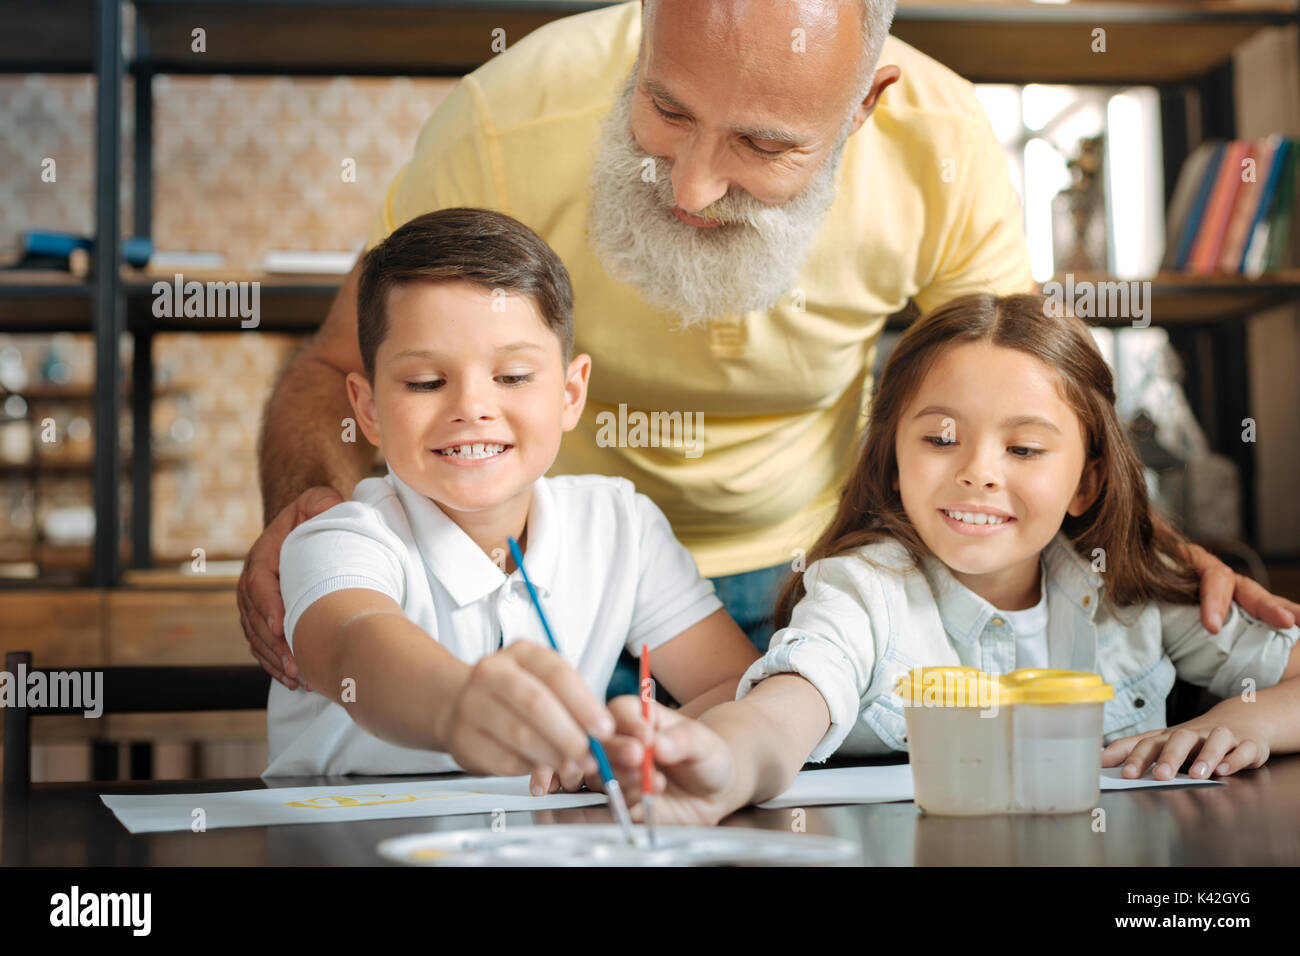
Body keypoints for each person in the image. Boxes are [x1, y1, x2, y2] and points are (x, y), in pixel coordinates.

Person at [240, 0, 1297, 698]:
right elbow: (340, 365)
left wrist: (1135, 541)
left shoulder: (942, 140)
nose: (693, 185)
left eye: (763, 145)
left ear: (862, 111)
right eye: (665, 108)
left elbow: (1026, 399)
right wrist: (306, 509)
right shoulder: (505, 115)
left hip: (812, 580)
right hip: (550, 570)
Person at [600, 292, 1300, 824]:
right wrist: (722, 767)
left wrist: (1250, 720)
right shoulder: (863, 588)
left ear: (1087, 480)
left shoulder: (1131, 589)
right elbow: (782, 711)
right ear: (895, 463)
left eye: (1023, 449)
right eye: (940, 439)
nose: (978, 472)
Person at [264, 207, 758, 788]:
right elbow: (352, 648)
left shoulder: (621, 524)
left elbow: (735, 686)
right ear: (368, 407)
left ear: (570, 393)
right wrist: (458, 705)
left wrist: (637, 749)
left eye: (514, 376)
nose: (471, 407)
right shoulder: (339, 538)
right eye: (426, 382)